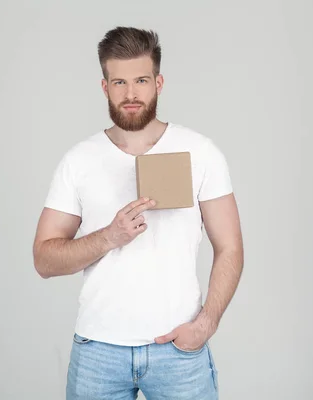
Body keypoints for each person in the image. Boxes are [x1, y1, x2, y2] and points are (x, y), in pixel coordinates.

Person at [33, 26, 244, 400]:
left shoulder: (201, 152)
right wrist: (109, 237)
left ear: (158, 82)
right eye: (119, 82)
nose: (131, 94)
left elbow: (229, 247)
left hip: (179, 352)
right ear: (105, 87)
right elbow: (44, 260)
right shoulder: (79, 160)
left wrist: (205, 324)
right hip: (98, 352)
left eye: (141, 80)